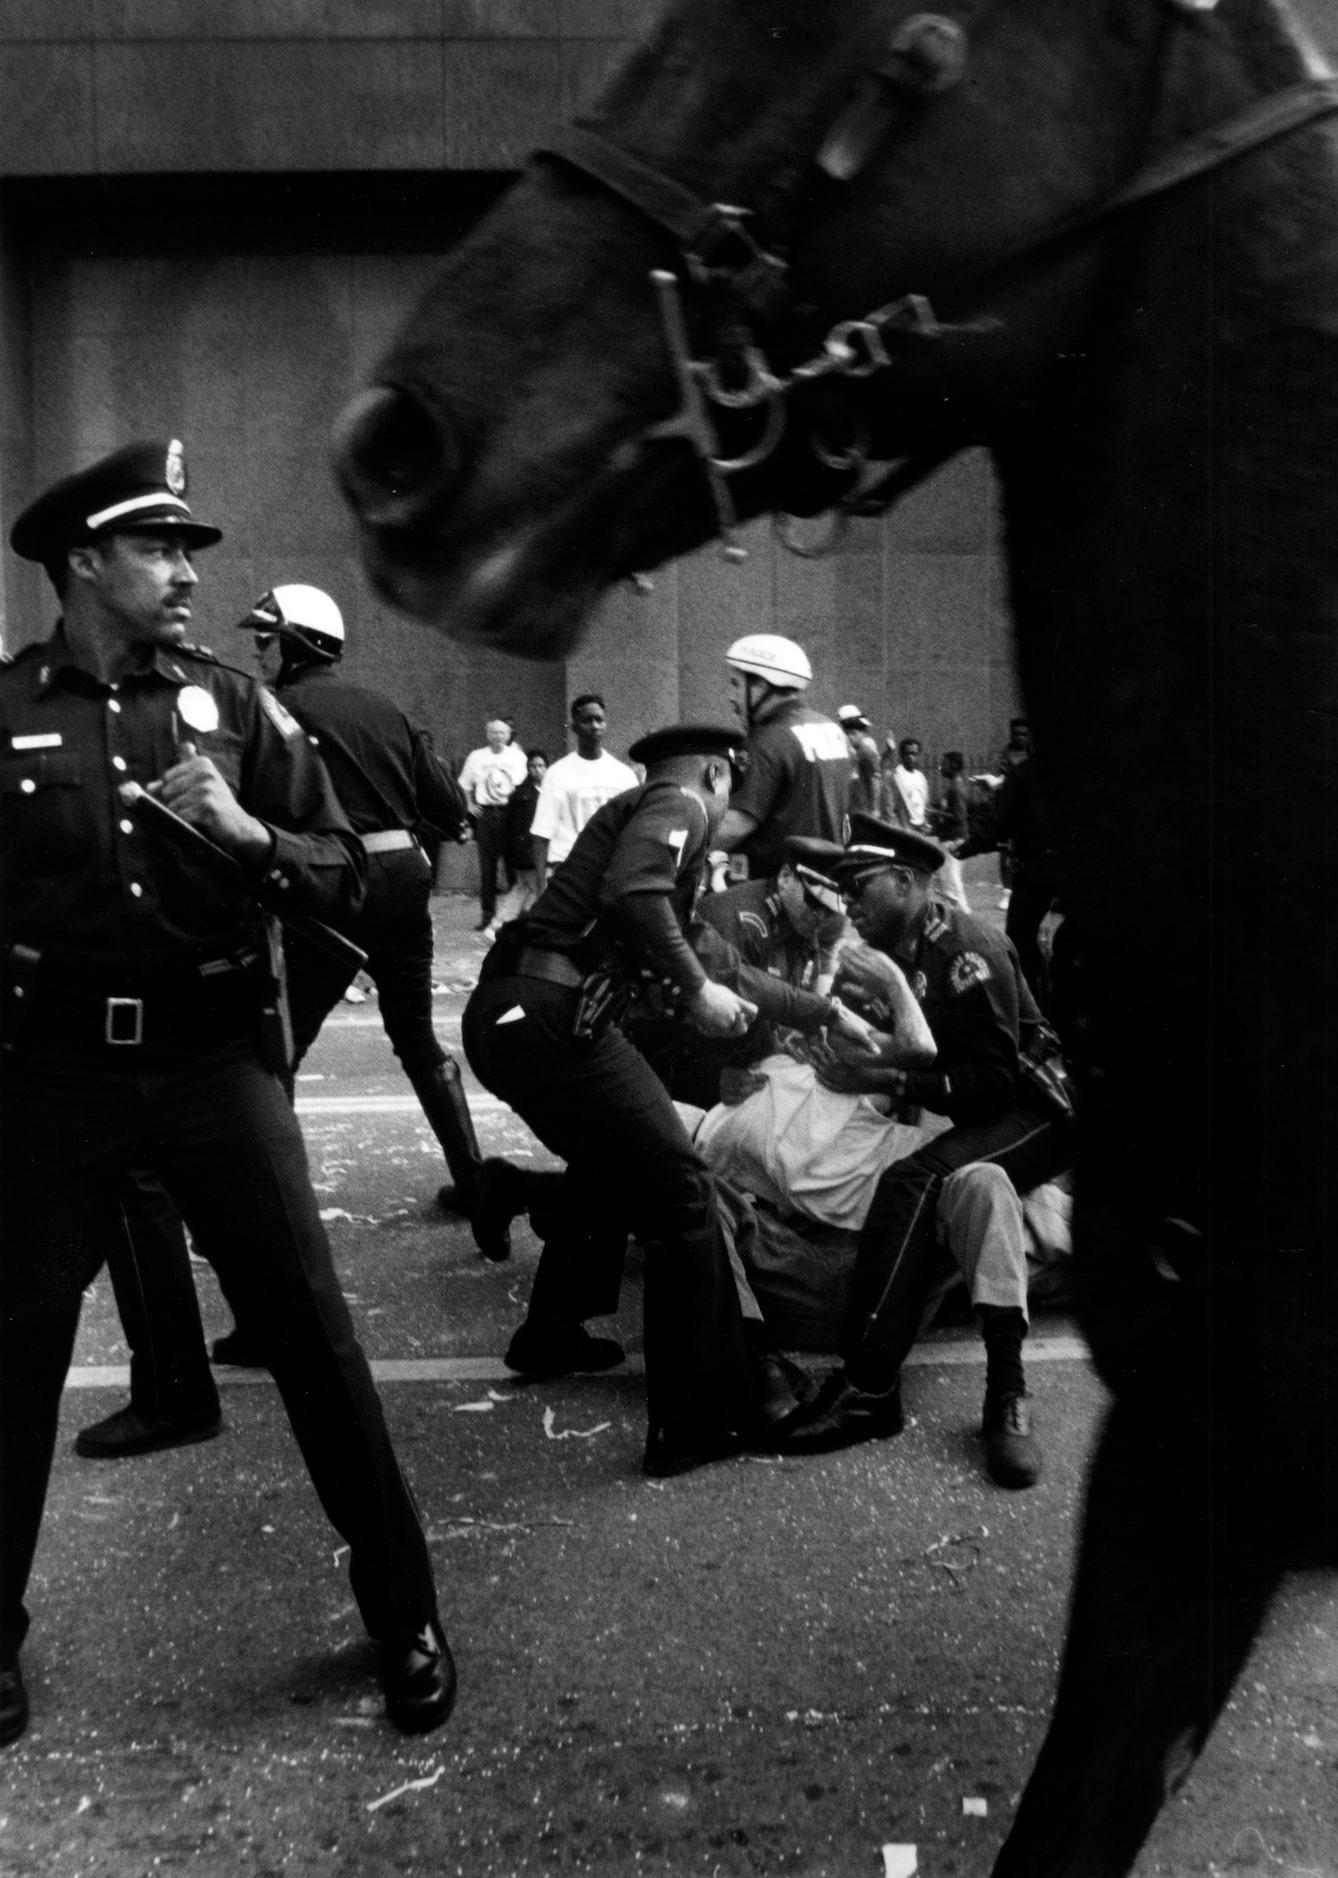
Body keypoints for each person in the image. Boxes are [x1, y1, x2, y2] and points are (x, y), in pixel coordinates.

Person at [0, 440, 455, 1748]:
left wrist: (259, 843)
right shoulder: (7, 710)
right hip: (55, 1079)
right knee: (16, 1359)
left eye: (194, 549)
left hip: (214, 1067)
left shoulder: (235, 711)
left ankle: (403, 1612)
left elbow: (371, 873)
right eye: (162, 548)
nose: (192, 572)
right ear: (84, 561)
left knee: (316, 1338)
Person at [462, 724, 771, 1478]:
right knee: (681, 1192)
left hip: (515, 1014)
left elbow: (672, 935)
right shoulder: (682, 802)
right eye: (734, 788)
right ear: (715, 773)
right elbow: (633, 892)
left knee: (614, 1166)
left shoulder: (648, 809)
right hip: (551, 1016)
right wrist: (699, 993)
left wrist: (775, 1006)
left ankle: (551, 1332)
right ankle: (693, 1420)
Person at [772, 814, 1074, 1478]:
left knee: (917, 1181)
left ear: (907, 882)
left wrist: (887, 1074)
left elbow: (993, 1085)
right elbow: (886, 1035)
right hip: (988, 1104)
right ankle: (968, 1388)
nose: (849, 904)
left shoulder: (968, 951)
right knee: (959, 1187)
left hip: (1044, 1109)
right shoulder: (904, 953)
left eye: (861, 888)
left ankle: (871, 1387)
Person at [715, 635, 851, 879]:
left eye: (736, 684)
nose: (731, 696)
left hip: (772, 887)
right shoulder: (831, 729)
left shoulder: (767, 739)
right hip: (825, 880)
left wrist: (681, 851)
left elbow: (735, 825)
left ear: (760, 685)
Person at [530, 694, 638, 894]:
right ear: (574, 727)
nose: (595, 725)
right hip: (567, 870)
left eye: (599, 720)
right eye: (587, 720)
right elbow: (541, 834)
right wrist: (540, 887)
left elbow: (633, 832)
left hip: (608, 872)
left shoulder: (624, 775)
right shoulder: (557, 773)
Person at [457, 716, 527, 929]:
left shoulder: (517, 757)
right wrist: (470, 805)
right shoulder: (476, 757)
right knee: (487, 868)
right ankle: (488, 915)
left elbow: (524, 785)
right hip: (486, 815)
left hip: (510, 814)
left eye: (502, 733)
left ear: (509, 735)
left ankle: (513, 917)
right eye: (494, 732)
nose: (498, 736)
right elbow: (464, 784)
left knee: (513, 867)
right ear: (487, 734)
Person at [487, 746, 547, 935]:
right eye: (532, 766)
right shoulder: (522, 794)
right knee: (537, 887)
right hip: (525, 852)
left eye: (540, 765)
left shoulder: (547, 791)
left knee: (525, 889)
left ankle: (503, 924)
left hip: (535, 851)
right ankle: (506, 924)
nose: (536, 769)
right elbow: (510, 825)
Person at [928, 750, 972, 913]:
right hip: (949, 839)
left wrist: (935, 813)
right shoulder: (952, 787)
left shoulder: (956, 789)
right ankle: (957, 919)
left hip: (954, 841)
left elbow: (959, 817)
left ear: (953, 766)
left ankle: (966, 920)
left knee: (953, 888)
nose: (941, 767)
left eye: (944, 764)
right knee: (948, 885)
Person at [836, 704, 881, 815]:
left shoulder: (866, 750)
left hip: (862, 808)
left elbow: (875, 780)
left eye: (853, 733)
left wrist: (874, 808)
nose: (850, 736)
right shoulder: (845, 749)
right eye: (847, 732)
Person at [888, 736, 930, 831]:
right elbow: (891, 804)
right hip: (903, 827)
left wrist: (925, 823)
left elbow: (925, 804)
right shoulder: (896, 775)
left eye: (914, 754)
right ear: (901, 755)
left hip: (920, 826)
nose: (911, 757)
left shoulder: (921, 777)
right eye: (908, 754)